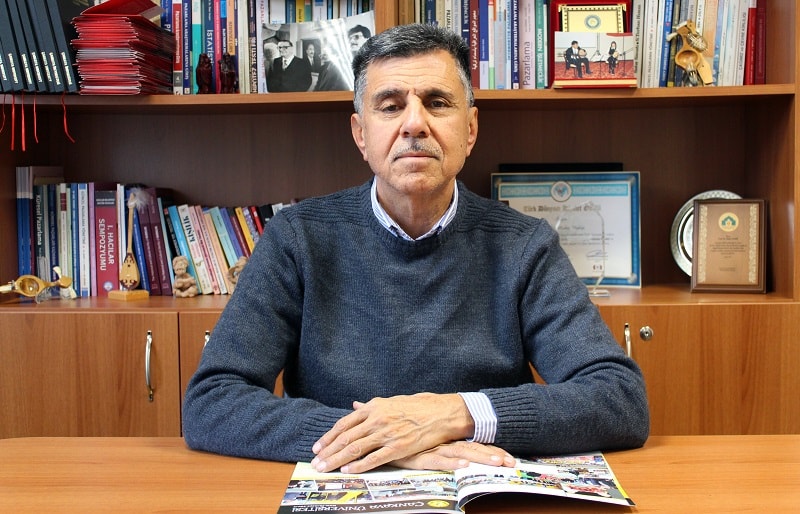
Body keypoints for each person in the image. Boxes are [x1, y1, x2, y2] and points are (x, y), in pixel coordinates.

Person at [183, 23, 648, 474]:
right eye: (390, 106)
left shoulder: (525, 245)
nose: (414, 124)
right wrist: (381, 443)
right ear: (360, 134)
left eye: (437, 103)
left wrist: (455, 415)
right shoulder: (297, 237)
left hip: (482, 492)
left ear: (470, 129)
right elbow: (211, 401)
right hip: (347, 492)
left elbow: (618, 398)